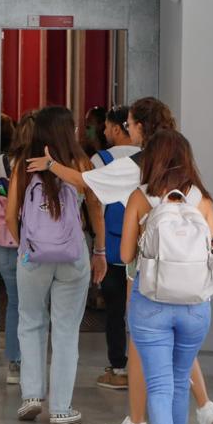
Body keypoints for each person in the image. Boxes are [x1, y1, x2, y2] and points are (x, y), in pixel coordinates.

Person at [28, 97, 213, 424]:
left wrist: (51, 165)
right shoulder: (196, 189)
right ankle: (203, 408)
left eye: (131, 124)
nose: (127, 130)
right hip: (195, 293)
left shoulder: (139, 174)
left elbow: (88, 183)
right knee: (179, 359)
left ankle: (138, 423)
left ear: (143, 129)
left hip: (148, 282)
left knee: (143, 350)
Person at [119, 129, 213, 424]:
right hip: (195, 307)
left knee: (158, 385)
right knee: (178, 383)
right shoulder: (202, 200)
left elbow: (127, 254)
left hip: (152, 304)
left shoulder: (141, 198)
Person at [7, 106, 94, 424]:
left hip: (34, 256)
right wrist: (98, 251)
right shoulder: (81, 163)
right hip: (73, 256)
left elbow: (10, 214)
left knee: (30, 322)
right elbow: (94, 204)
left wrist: (24, 248)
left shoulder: (24, 167)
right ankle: (60, 408)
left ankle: (31, 395)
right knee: (67, 330)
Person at [92, 105, 141, 391]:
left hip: (111, 244)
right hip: (140, 245)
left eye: (108, 127)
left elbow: (94, 201)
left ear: (117, 128)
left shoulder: (101, 159)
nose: (104, 131)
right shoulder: (148, 157)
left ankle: (118, 366)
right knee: (140, 308)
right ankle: (140, 365)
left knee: (113, 310)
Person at [0, 111, 33, 384]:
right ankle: (32, 362)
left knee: (15, 301)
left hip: (4, 240)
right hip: (34, 244)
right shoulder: (44, 166)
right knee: (35, 306)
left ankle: (14, 365)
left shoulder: (1, 162)